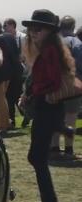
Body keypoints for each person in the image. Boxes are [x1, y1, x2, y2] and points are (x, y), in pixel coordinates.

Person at [21, 9, 76, 202]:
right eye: (31, 29)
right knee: (38, 157)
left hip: (48, 107)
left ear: (49, 31)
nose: (33, 32)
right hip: (48, 108)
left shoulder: (49, 51)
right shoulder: (49, 49)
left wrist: (33, 92)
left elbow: (52, 82)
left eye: (38, 29)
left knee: (36, 157)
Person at [51, 16, 82, 159]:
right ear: (73, 27)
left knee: (56, 117)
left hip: (54, 85)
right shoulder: (77, 43)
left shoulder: (53, 43)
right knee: (71, 117)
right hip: (72, 86)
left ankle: (54, 148)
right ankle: (69, 150)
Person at [0, 20, 21, 132]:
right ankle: (6, 122)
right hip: (11, 72)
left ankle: (2, 124)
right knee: (4, 99)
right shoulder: (10, 37)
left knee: (0, 100)